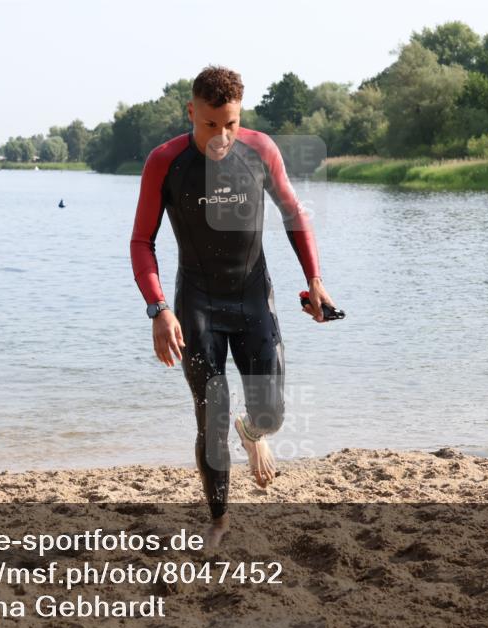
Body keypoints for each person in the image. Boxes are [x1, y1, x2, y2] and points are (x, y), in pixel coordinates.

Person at [129, 66, 335, 543]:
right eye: (210, 125)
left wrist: (315, 280)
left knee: (272, 414)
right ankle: (219, 520)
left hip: (252, 297)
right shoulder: (165, 161)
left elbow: (294, 214)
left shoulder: (260, 150)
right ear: (191, 113)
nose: (222, 137)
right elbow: (142, 240)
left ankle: (255, 431)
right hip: (197, 303)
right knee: (212, 414)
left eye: (231, 124)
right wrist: (159, 309)